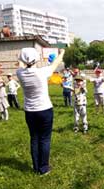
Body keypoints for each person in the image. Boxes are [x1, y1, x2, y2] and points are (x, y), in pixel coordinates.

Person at [16, 47, 65, 175]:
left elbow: (21, 63)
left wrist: (21, 57)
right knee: (44, 139)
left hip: (29, 111)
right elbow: (56, 63)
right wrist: (62, 53)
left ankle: (36, 167)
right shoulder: (42, 72)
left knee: (34, 138)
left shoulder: (19, 73)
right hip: (44, 110)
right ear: (36, 58)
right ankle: (43, 168)